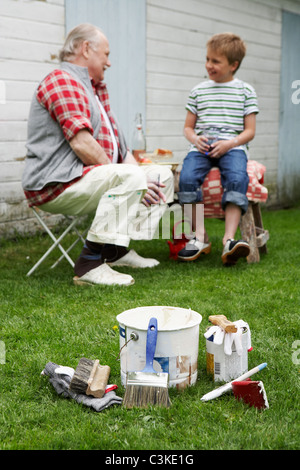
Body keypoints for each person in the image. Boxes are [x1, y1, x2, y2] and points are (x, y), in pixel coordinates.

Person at [22, 23, 174, 286]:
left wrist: (139, 177)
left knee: (162, 174)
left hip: (87, 178)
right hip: (56, 183)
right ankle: (89, 263)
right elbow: (81, 142)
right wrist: (131, 177)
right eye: (106, 54)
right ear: (86, 48)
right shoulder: (61, 80)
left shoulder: (94, 90)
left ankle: (115, 250)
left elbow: (121, 148)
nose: (109, 63)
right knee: (132, 176)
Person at [177, 33, 259, 266]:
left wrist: (230, 143)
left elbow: (249, 131)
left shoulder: (245, 91)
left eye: (215, 61)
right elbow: (188, 128)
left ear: (233, 65)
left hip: (232, 147)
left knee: (236, 177)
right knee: (187, 177)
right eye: (207, 59)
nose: (208, 65)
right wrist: (195, 138)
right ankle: (200, 237)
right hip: (202, 147)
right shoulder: (198, 91)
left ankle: (229, 240)